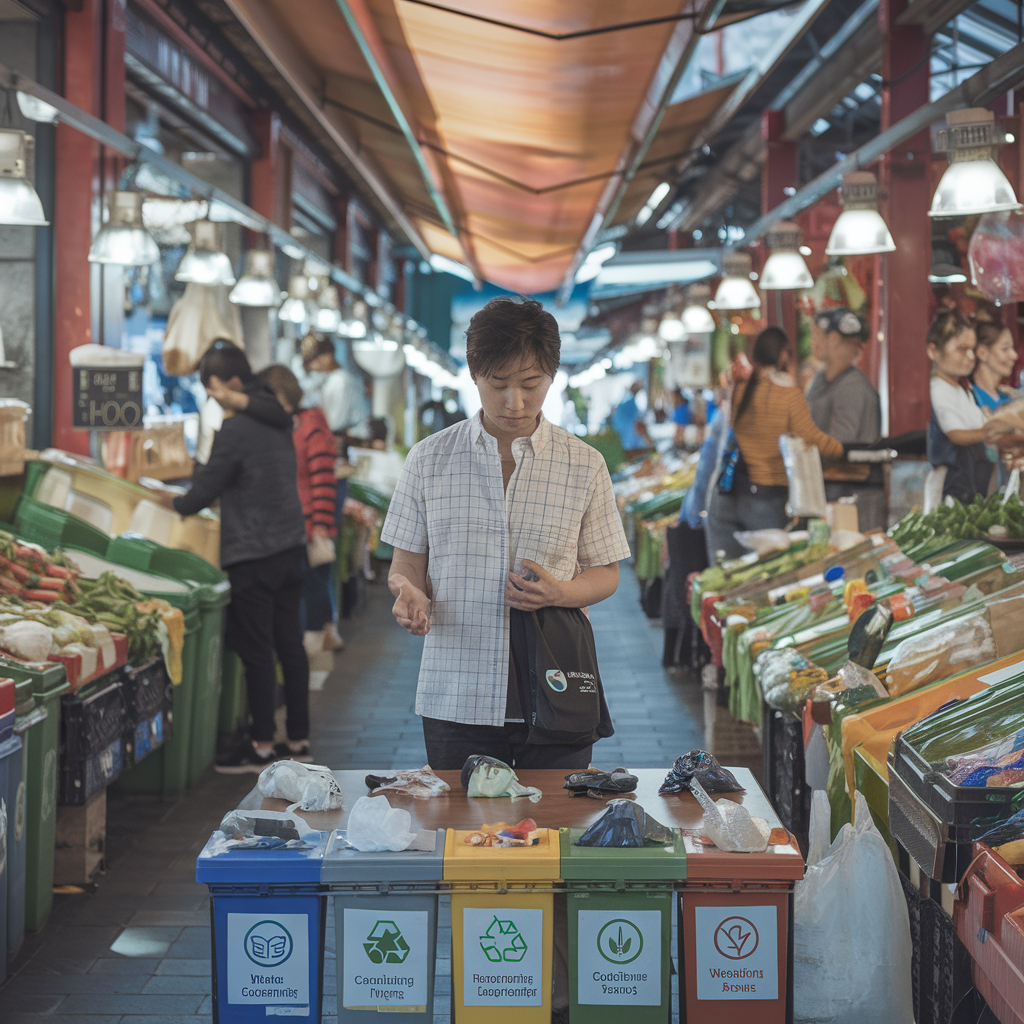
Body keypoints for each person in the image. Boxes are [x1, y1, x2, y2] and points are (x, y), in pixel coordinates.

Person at [381, 297, 631, 772]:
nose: (514, 402)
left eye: (530, 384)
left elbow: (606, 572)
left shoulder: (583, 464)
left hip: (557, 685)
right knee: (468, 836)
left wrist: (562, 592)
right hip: (457, 692)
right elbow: (406, 563)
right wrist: (407, 591)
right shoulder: (430, 460)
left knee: (554, 834)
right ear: (474, 376)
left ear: (550, 379)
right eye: (498, 385)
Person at [172, 341, 312, 770]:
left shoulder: (235, 430)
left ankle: (262, 745)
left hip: (254, 554)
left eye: (214, 389)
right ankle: (300, 739)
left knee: (257, 651)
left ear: (231, 384)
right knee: (290, 645)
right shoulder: (276, 419)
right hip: (291, 548)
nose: (213, 397)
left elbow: (202, 493)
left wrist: (172, 504)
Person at [705, 326, 845, 563]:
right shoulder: (788, 395)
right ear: (783, 355)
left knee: (729, 572)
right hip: (765, 499)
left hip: (729, 495)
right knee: (765, 573)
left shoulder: (740, 390)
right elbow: (811, 437)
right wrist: (843, 450)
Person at [260, 364, 343, 656]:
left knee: (313, 583)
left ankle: (316, 642)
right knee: (311, 583)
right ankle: (325, 636)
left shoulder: (311, 423)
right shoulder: (291, 422)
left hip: (310, 522)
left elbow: (322, 476)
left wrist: (321, 522)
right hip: (296, 522)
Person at [805, 309, 885, 531]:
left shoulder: (853, 387)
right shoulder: (820, 380)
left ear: (834, 340)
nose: (813, 342)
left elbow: (841, 442)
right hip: (828, 493)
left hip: (853, 498)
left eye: (816, 335)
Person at [926, 308, 992, 502]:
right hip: (952, 488)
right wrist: (993, 430)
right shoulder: (938, 389)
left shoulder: (965, 389)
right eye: (962, 349)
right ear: (933, 351)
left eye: (972, 349)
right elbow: (956, 435)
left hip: (973, 485)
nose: (971, 356)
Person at [971, 307, 1018, 412]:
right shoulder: (972, 400)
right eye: (1005, 349)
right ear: (982, 353)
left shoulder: (1007, 397)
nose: (1014, 356)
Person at [611, 380, 650, 452]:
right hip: (628, 439)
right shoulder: (629, 401)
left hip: (624, 437)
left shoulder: (627, 399)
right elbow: (637, 422)